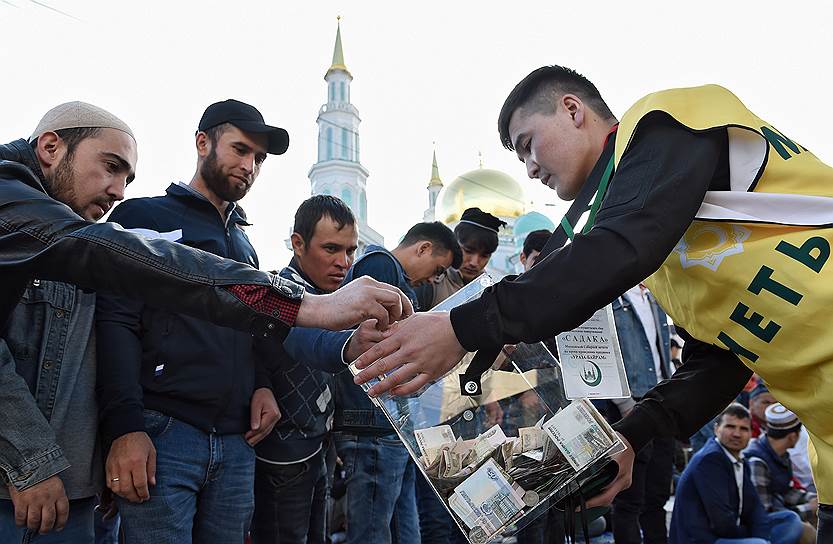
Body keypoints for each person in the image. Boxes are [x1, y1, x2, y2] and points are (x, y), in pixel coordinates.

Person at [351, 65, 833, 538]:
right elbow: (721, 360)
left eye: (528, 145)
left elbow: (616, 246)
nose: (530, 168)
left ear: (571, 109)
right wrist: (629, 435)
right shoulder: (665, 263)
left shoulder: (667, 119)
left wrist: (461, 327)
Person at [0, 102, 410, 541]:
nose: (118, 190)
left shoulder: (243, 244)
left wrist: (287, 372)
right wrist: (122, 429)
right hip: (162, 436)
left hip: (234, 442)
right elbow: (116, 321)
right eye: (239, 149)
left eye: (258, 158)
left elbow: (261, 335)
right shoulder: (132, 222)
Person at [335, 222, 461, 544]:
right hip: (373, 423)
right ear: (422, 248)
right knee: (372, 532)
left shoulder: (402, 281)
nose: (434, 280)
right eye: (437, 270)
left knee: (406, 528)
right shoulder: (380, 265)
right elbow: (385, 347)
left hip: (394, 426)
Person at [251, 195, 358, 544]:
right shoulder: (279, 295)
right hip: (283, 457)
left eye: (350, 250)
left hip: (319, 450)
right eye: (331, 249)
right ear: (298, 243)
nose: (343, 262)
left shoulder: (330, 299)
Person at [669, 403, 802, 544]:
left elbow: (755, 509)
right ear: (716, 429)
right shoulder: (710, 459)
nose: (737, 434)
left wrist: (761, 537)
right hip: (704, 539)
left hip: (733, 531)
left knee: (789, 520)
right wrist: (755, 538)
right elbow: (721, 521)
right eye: (730, 427)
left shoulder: (740, 460)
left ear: (751, 434)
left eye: (743, 429)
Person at [605, 284, 673, 544]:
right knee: (628, 499)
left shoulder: (656, 296)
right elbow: (605, 352)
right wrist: (625, 404)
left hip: (662, 401)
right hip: (631, 405)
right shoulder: (611, 297)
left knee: (657, 496)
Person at [745, 404, 817, 541]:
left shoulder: (781, 455)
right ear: (792, 436)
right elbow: (765, 512)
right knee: (808, 533)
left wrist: (813, 499)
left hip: (782, 511)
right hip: (760, 527)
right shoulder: (757, 461)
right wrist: (808, 508)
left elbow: (786, 491)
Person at [416, 207, 504, 309]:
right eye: (468, 251)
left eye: (484, 256)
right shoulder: (430, 281)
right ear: (455, 244)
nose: (474, 263)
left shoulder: (491, 291)